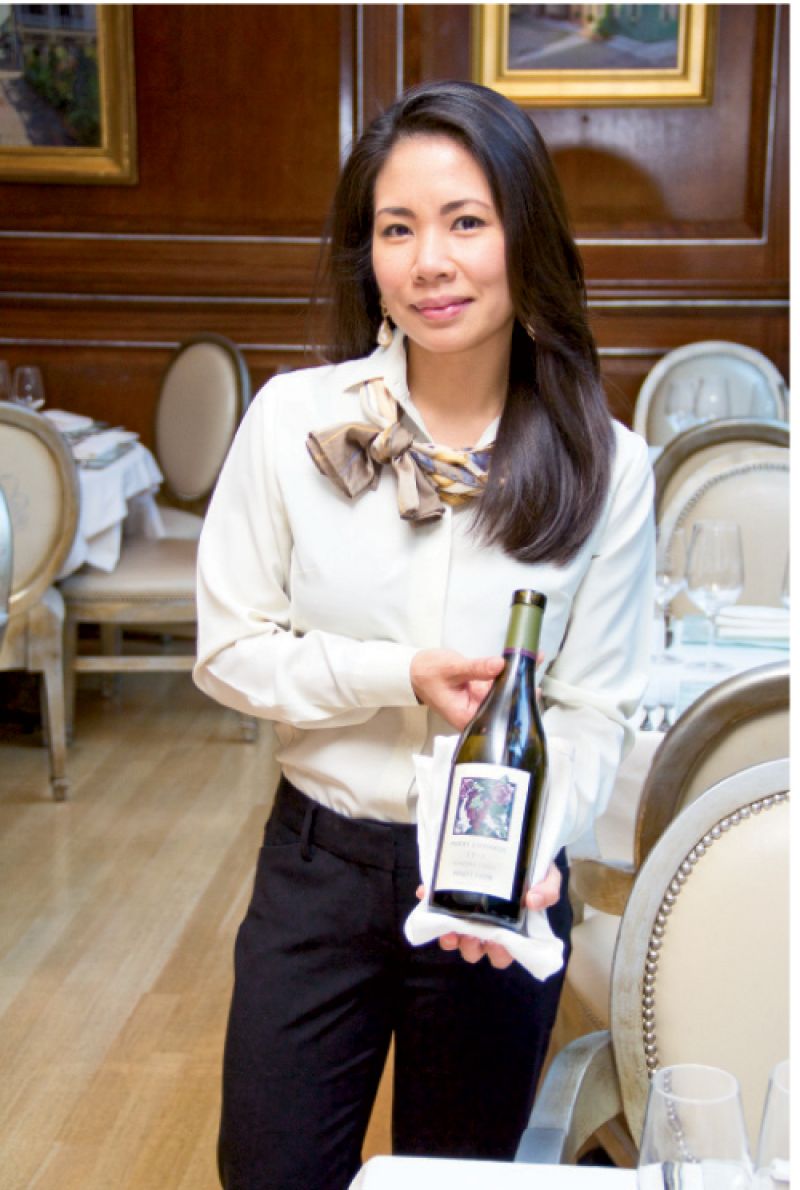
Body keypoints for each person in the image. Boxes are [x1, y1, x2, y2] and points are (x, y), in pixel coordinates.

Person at [194, 79, 654, 1190]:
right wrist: (394, 673)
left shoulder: (609, 465)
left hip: (493, 883)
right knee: (268, 1166)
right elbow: (228, 647)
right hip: (320, 865)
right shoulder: (294, 421)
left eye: (465, 221)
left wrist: (530, 844)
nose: (429, 262)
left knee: (461, 1173)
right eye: (396, 229)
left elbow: (592, 708)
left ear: (524, 235)